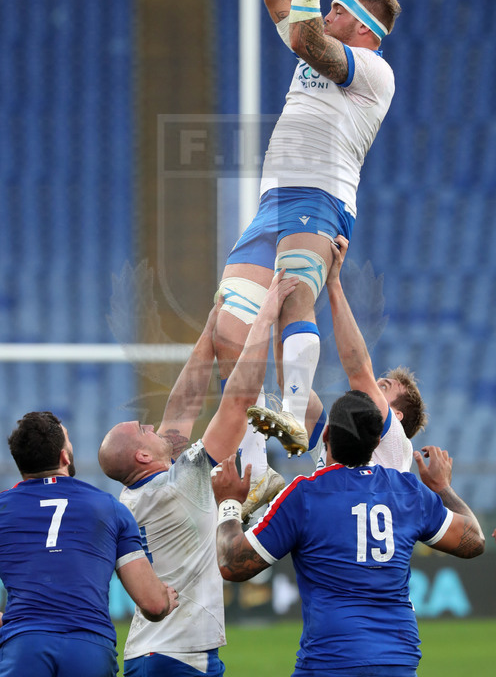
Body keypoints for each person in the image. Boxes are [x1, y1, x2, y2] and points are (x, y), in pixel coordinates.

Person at [214, 0, 402, 514]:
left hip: (321, 197)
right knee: (227, 329)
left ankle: (295, 415)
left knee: (294, 289)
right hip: (271, 204)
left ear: (364, 29)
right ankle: (258, 467)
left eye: (339, 12)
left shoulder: (372, 71)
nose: (326, 14)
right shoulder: (314, 45)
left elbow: (301, 32)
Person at [98, 271, 298, 677]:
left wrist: (212, 326)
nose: (153, 427)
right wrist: (266, 312)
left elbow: (183, 406)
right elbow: (240, 400)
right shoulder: (182, 482)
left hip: (146, 653)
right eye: (144, 431)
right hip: (180, 658)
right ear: (141, 456)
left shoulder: (141, 493)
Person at [212, 390, 485, 677]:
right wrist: (442, 487)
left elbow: (233, 563)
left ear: (327, 434)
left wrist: (228, 502)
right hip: (398, 662)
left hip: (331, 660)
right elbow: (474, 541)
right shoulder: (408, 491)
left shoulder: (305, 495)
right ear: (377, 441)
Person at [0, 411, 178, 677]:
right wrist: (165, 600)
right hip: (89, 647)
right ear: (64, 456)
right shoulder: (109, 508)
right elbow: (152, 604)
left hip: (25, 646)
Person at [314, 234, 427, 471]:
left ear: (396, 417)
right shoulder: (336, 438)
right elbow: (293, 388)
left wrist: (333, 282)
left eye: (382, 387)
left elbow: (358, 370)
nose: (371, 388)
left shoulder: (396, 441)